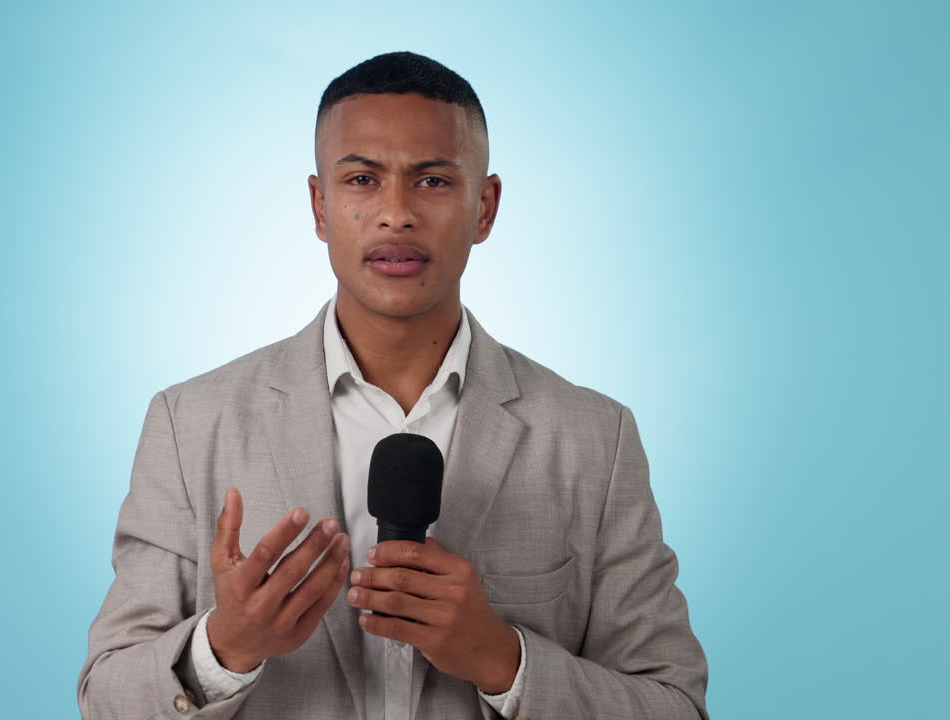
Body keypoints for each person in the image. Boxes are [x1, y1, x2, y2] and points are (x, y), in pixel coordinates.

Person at [77, 51, 709, 720]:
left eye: (433, 180)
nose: (396, 213)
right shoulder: (189, 423)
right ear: (320, 207)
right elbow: (105, 698)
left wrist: (502, 659)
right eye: (362, 179)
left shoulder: (593, 439)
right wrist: (223, 648)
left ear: (485, 207)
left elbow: (672, 705)